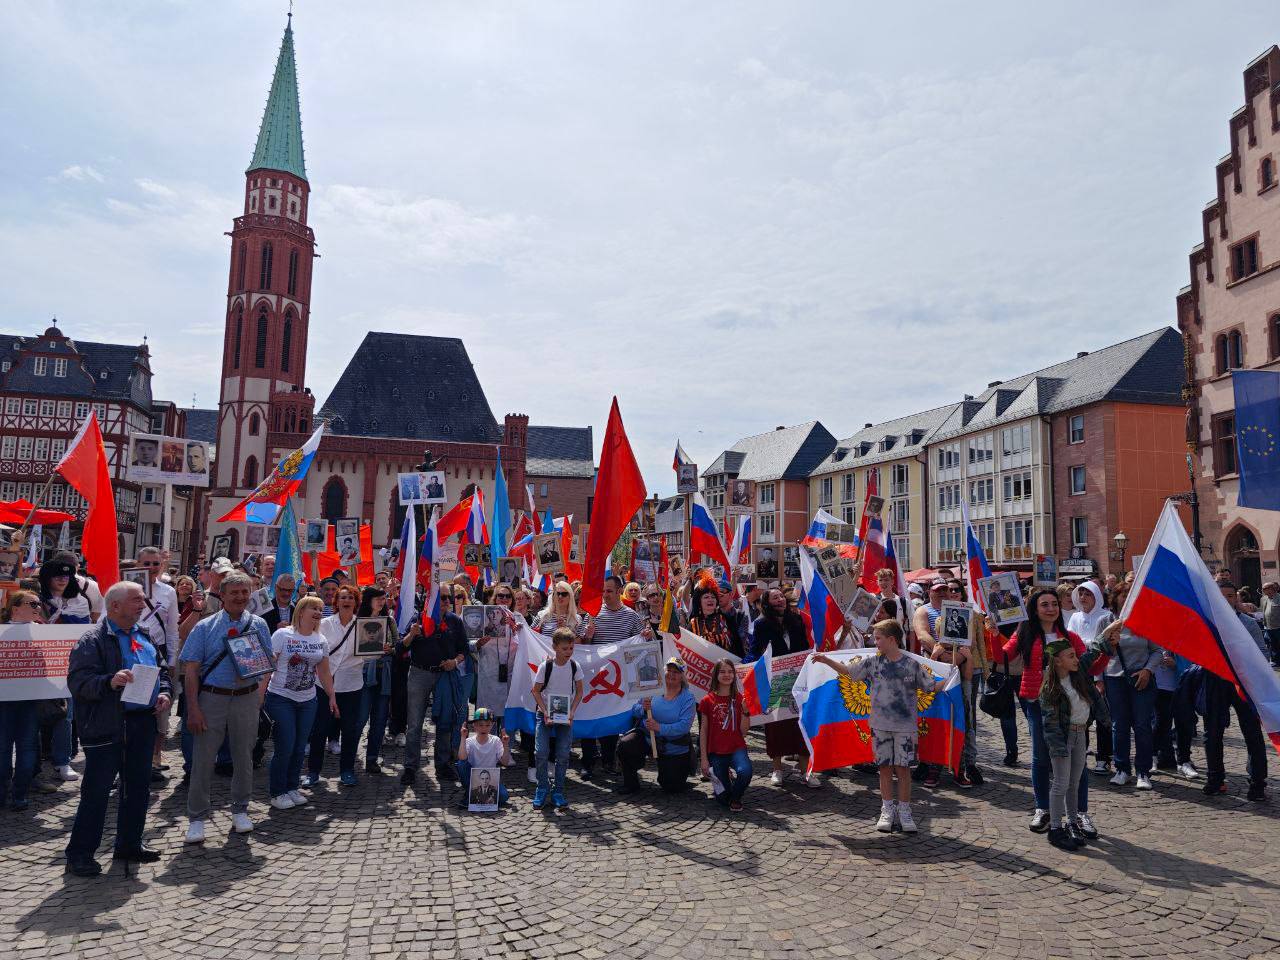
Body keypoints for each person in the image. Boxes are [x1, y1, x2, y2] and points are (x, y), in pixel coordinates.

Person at [64, 581, 172, 875]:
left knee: (138, 788)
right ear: (115, 606)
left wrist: (164, 692)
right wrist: (109, 682)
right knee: (97, 792)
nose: (143, 604)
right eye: (137, 600)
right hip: (106, 726)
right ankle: (80, 853)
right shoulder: (92, 641)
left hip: (142, 723)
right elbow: (78, 683)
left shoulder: (145, 634)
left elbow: (161, 672)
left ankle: (129, 844)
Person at [816, 621, 947, 834]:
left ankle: (905, 811)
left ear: (892, 640)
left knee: (903, 770)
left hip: (906, 728)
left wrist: (952, 678)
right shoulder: (873, 663)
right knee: (884, 768)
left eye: (878, 638)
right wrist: (826, 660)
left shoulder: (911, 665)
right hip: (880, 726)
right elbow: (849, 672)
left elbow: (931, 686)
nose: (874, 642)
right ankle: (887, 809)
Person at [1003, 588, 1107, 837]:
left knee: (1076, 761)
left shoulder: (1070, 636)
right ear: (1035, 609)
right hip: (1037, 703)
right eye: (1044, 605)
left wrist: (1107, 651)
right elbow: (1002, 655)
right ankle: (1043, 809)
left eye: (1053, 604)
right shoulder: (1025, 633)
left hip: (1069, 705)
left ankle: (1079, 813)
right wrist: (994, 632)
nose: (1050, 609)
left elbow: (1089, 667)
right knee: (1041, 756)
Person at [180, 571, 272, 843]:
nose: (240, 597)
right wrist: (193, 708)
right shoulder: (205, 627)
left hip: (246, 697)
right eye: (234, 592)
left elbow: (267, 663)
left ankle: (240, 810)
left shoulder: (259, 624)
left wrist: (259, 696)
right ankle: (197, 817)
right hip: (212, 697)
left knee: (244, 757)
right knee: (203, 759)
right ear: (222, 595)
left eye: (245, 592)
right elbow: (191, 670)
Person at [262, 596, 337, 809]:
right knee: (285, 744)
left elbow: (323, 671)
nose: (317, 611)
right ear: (301, 611)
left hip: (308, 700)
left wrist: (331, 695)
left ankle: (292, 787)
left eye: (320, 609)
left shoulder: (320, 640)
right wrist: (260, 697)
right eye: (313, 607)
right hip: (280, 698)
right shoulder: (282, 635)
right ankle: (277, 792)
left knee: (299, 746)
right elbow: (269, 666)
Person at [1039, 638, 1109, 851]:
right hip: (1063, 739)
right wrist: (1059, 748)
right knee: (1061, 783)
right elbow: (1050, 725)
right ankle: (1056, 829)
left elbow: (1093, 651)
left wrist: (1110, 634)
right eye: (1070, 656)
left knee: (1074, 782)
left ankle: (1072, 822)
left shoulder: (1078, 674)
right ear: (1058, 662)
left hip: (1080, 735)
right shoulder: (1050, 689)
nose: (1076, 659)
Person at [579, 575, 650, 779]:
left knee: (609, 718)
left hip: (618, 678)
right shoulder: (593, 614)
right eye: (603, 591)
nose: (605, 594)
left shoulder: (631, 616)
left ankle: (609, 761)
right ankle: (588, 762)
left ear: (620, 591)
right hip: (594, 677)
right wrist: (588, 634)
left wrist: (646, 636)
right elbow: (582, 646)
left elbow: (642, 644)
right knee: (590, 717)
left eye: (609, 591)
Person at [1203, 582, 1269, 801]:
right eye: (1220, 596)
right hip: (1215, 682)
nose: (1226, 600)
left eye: (1230, 596)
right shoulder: (1206, 624)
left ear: (1236, 598)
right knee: (1212, 733)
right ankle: (1215, 778)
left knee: (1252, 733)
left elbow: (1261, 652)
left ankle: (1258, 782)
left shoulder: (1248, 623)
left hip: (1244, 683)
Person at [1095, 582, 1162, 790]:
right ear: (1114, 599)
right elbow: (1096, 651)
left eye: (1130, 595)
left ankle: (1143, 770)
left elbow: (1157, 651)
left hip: (1141, 678)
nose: (1126, 599)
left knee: (1142, 725)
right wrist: (1099, 679)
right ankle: (1122, 769)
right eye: (1123, 595)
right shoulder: (1105, 620)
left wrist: (1148, 670)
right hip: (1115, 678)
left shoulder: (1146, 621)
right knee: (1119, 725)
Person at [400, 587, 468, 786]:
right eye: (442, 598)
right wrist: (411, 635)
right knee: (414, 724)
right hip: (419, 674)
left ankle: (443, 765)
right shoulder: (417, 617)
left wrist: (454, 662)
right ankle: (411, 767)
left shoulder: (455, 621)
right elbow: (400, 647)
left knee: (445, 722)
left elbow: (463, 649)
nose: (446, 601)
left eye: (449, 597)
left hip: (444, 676)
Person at [302, 585, 366, 787]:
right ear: (336, 602)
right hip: (324, 684)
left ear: (356, 602)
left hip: (351, 685)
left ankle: (347, 770)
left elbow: (370, 655)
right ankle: (313, 772)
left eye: (350, 597)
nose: (346, 601)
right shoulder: (325, 624)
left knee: (349, 730)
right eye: (343, 597)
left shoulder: (364, 625)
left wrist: (378, 650)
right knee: (320, 729)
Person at [752, 586, 812, 786]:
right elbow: (755, 652)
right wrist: (744, 666)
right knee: (775, 726)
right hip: (775, 681)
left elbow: (804, 647)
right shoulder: (761, 625)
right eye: (775, 598)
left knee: (800, 724)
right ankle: (777, 769)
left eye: (781, 597)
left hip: (797, 680)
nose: (780, 600)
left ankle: (806, 772)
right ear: (767, 603)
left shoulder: (796, 620)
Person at [616, 657, 697, 795]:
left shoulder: (688, 698)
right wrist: (642, 708)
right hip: (648, 738)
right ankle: (631, 783)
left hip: (672, 746)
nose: (671, 675)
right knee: (625, 745)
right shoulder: (653, 688)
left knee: (671, 787)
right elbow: (634, 709)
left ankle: (678, 771)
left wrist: (659, 727)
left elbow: (684, 726)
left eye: (676, 672)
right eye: (669, 671)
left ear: (683, 676)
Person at [0, 590, 45, 811]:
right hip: (4, 701)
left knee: (27, 748)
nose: (37, 607)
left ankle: (19, 794)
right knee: (4, 748)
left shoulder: (44, 633)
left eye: (38, 604)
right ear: (15, 608)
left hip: (29, 700)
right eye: (32, 604)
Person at [531, 627, 584, 809]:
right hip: (544, 714)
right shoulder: (546, 666)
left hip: (565, 716)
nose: (568, 652)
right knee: (541, 752)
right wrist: (545, 711)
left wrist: (572, 712)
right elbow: (536, 691)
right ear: (554, 647)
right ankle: (542, 787)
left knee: (562, 754)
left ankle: (558, 791)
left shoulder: (575, 666)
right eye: (564, 649)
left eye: (571, 648)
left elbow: (580, 691)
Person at [1067, 580, 1115, 776]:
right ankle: (1081, 755)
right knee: (1081, 717)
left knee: (1103, 717)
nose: (1083, 597)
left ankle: (1104, 758)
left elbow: (1105, 649)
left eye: (1088, 594)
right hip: (1078, 673)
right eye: (1081, 593)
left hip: (1099, 671)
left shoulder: (1105, 616)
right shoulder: (1075, 617)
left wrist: (1099, 678)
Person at [356, 585, 403, 775]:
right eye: (378, 599)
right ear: (369, 600)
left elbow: (397, 645)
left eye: (383, 599)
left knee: (380, 718)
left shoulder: (389, 620)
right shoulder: (357, 620)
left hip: (384, 673)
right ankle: (351, 754)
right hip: (363, 673)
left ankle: (372, 758)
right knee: (360, 718)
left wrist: (389, 649)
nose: (382, 602)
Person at [698, 658, 753, 812]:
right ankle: (725, 788)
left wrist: (746, 712)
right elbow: (703, 730)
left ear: (734, 675)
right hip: (716, 751)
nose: (727, 675)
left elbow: (744, 731)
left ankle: (736, 798)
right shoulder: (706, 700)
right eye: (722, 671)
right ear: (716, 675)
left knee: (745, 772)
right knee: (722, 799)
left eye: (730, 672)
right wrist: (704, 759)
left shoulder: (740, 698)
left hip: (736, 748)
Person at [456, 707, 510, 809]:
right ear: (474, 725)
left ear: (492, 725)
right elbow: (462, 757)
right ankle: (469, 793)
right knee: (461, 764)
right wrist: (463, 737)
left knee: (504, 796)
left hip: (490, 779)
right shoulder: (470, 741)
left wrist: (506, 745)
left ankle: (475, 798)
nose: (484, 728)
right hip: (472, 778)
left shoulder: (496, 740)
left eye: (487, 725)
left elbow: (505, 762)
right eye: (480, 725)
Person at [687, 571, 744, 657]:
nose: (710, 599)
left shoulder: (726, 619)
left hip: (724, 667)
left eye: (713, 597)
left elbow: (737, 645)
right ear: (699, 602)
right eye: (706, 597)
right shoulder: (693, 623)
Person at [1262, 581, 1280, 668]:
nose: (1263, 590)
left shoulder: (1279, 598)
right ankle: (1275, 661)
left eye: (1264, 589)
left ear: (1272, 589)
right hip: (1268, 627)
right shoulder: (1264, 599)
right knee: (1272, 645)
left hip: (1278, 627)